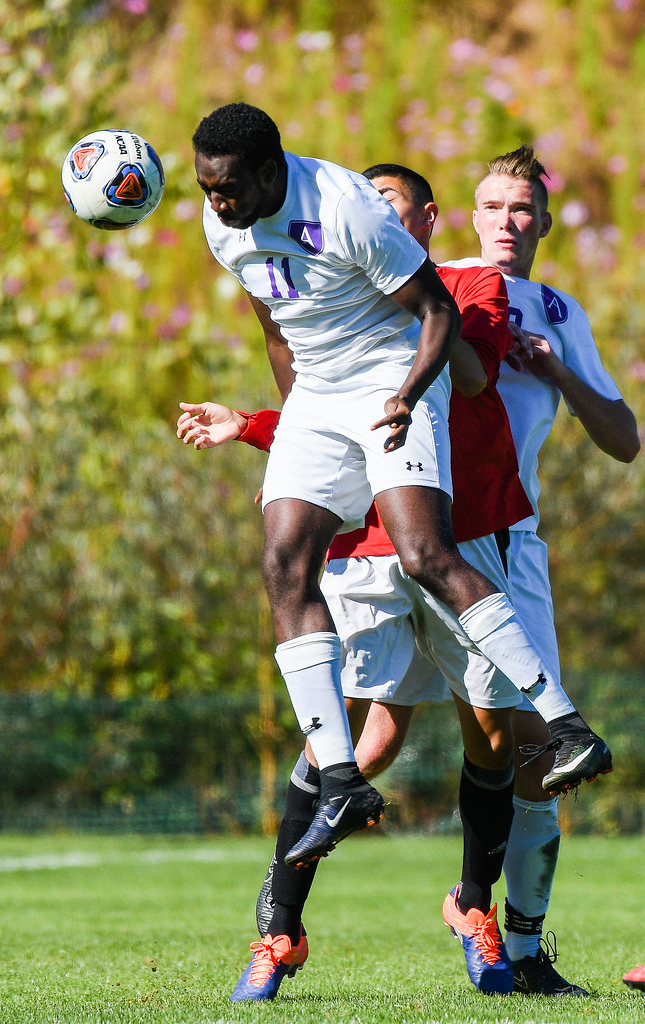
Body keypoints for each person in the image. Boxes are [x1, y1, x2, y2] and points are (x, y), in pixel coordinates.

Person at [179, 160, 608, 998]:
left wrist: (412, 334)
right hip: (367, 552)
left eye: (392, 206)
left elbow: (466, 378)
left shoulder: (464, 288)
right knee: (356, 743)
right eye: (365, 204)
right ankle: (278, 929)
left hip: (469, 538)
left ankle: (483, 917)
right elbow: (332, 418)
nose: (371, 216)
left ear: (423, 223)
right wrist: (258, 423)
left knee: (492, 740)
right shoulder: (333, 278)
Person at [445, 144, 640, 989]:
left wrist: (553, 366)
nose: (506, 221)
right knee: (375, 739)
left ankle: (517, 951)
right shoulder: (433, 284)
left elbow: (624, 440)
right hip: (422, 537)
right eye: (492, 206)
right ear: (469, 215)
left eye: (521, 209)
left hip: (514, 544)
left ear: (543, 222)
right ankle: (465, 906)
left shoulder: (559, 311)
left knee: (534, 757)